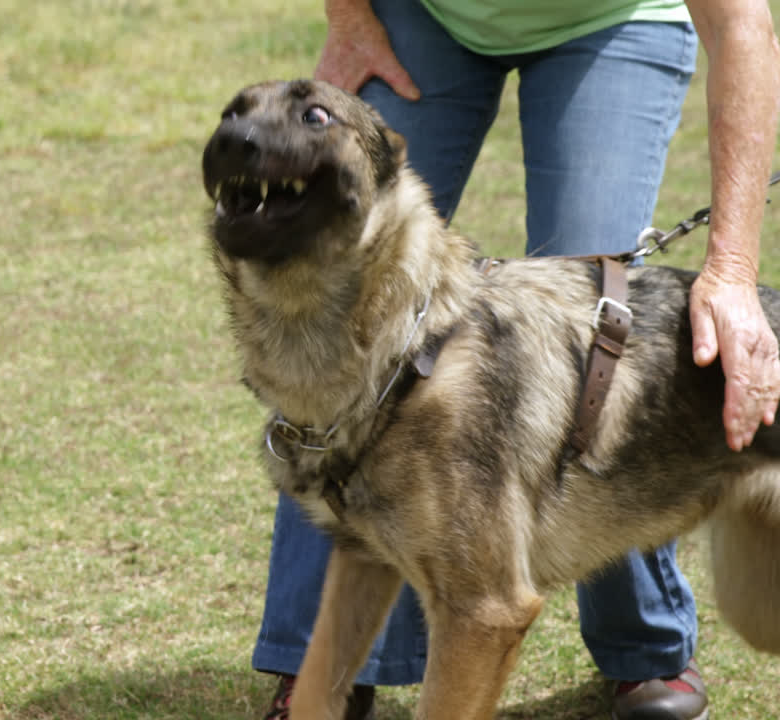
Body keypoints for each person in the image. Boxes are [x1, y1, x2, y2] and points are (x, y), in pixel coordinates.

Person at [253, 2, 780, 719]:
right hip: (431, 14)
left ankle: (643, 650)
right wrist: (349, 15)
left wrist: (733, 270)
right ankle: (322, 679)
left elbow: (742, 23)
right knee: (338, 304)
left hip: (611, 17)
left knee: (600, 336)